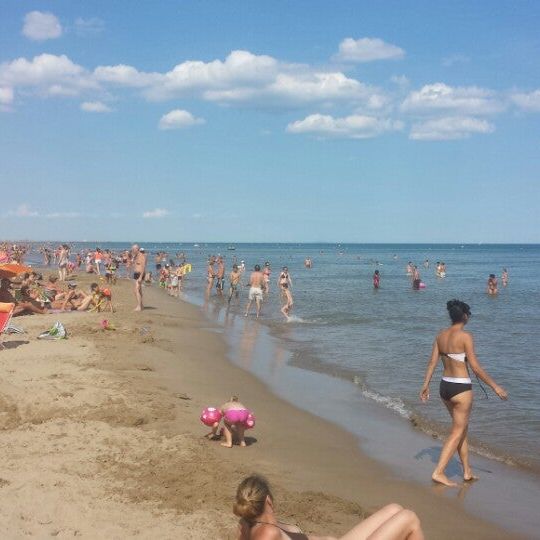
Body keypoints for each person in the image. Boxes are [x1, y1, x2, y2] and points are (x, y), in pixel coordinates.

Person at [420, 300, 508, 487]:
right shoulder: (465, 336)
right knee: (457, 431)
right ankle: (439, 472)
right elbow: (475, 368)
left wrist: (425, 385)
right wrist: (495, 386)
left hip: (444, 387)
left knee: (462, 429)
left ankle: (467, 471)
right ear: (465, 316)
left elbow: (432, 363)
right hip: (460, 388)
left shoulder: (440, 335)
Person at [234, 475, 424, 540]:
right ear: (268, 500)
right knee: (409, 517)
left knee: (394, 509)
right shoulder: (267, 532)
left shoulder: (249, 524)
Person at [131, 245, 147, 311]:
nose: (132, 251)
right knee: (139, 290)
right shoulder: (136, 256)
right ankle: (141, 305)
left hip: (140, 274)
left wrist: (140, 277)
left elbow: (143, 267)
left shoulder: (141, 256)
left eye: (133, 249)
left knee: (136, 290)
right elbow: (135, 264)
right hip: (136, 274)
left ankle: (139, 306)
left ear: (137, 249)